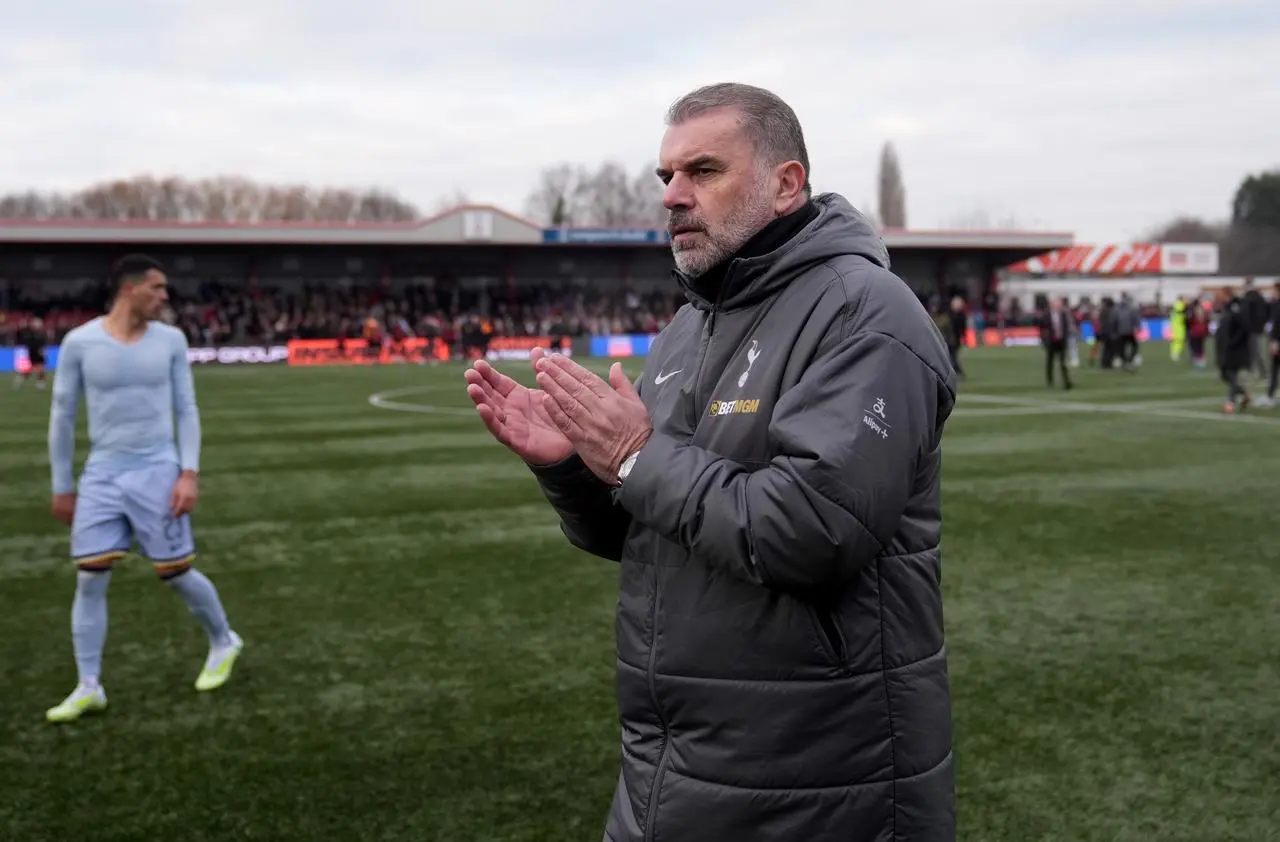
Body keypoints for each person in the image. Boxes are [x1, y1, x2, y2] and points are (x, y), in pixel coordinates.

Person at [466, 82, 957, 842]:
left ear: (786, 184)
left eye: (703, 170)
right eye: (665, 176)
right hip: (670, 772)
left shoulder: (865, 311)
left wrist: (633, 453)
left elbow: (812, 529)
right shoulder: (687, 330)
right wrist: (575, 465)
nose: (672, 195)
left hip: (817, 784)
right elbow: (647, 526)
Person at [45, 254, 243, 724]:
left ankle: (223, 640)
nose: (165, 297)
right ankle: (88, 685)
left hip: (158, 471)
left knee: (175, 572)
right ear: (130, 289)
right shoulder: (80, 342)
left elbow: (187, 408)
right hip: (102, 475)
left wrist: (188, 472)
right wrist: (62, 485)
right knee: (90, 576)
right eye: (157, 288)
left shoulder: (171, 340)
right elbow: (62, 416)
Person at [1213, 286, 1252, 413]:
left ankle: (1230, 403)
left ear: (1226, 294)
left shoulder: (1236, 306)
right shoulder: (1226, 308)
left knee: (1231, 373)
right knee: (1225, 374)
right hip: (1226, 347)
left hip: (1235, 347)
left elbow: (1243, 326)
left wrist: (1234, 341)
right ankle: (1244, 394)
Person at [1039, 297, 1074, 390]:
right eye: (1056, 304)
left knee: (1063, 363)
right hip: (1051, 342)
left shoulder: (1063, 315)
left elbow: (1066, 327)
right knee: (1050, 363)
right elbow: (1042, 329)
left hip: (1061, 341)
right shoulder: (1046, 315)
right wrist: (1044, 341)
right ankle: (1049, 383)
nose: (1057, 306)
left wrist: (1066, 337)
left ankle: (1067, 382)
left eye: (1059, 304)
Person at [12, 317, 49, 390]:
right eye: (36, 323)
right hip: (33, 353)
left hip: (40, 354)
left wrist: (43, 351)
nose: (38, 325)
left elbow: (44, 343)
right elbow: (26, 341)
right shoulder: (29, 333)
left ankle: (40, 384)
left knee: (41, 369)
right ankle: (21, 379)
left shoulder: (42, 334)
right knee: (30, 370)